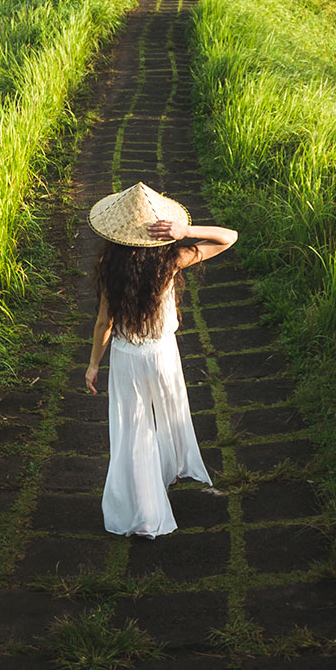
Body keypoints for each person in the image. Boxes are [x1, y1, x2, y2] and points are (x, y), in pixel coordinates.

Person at [84, 182, 238, 537]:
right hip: (162, 354)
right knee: (170, 415)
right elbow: (228, 237)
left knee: (132, 432)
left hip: (126, 359)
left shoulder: (111, 270)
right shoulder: (171, 261)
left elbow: (104, 324)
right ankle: (169, 472)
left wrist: (94, 364)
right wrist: (187, 232)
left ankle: (143, 509)